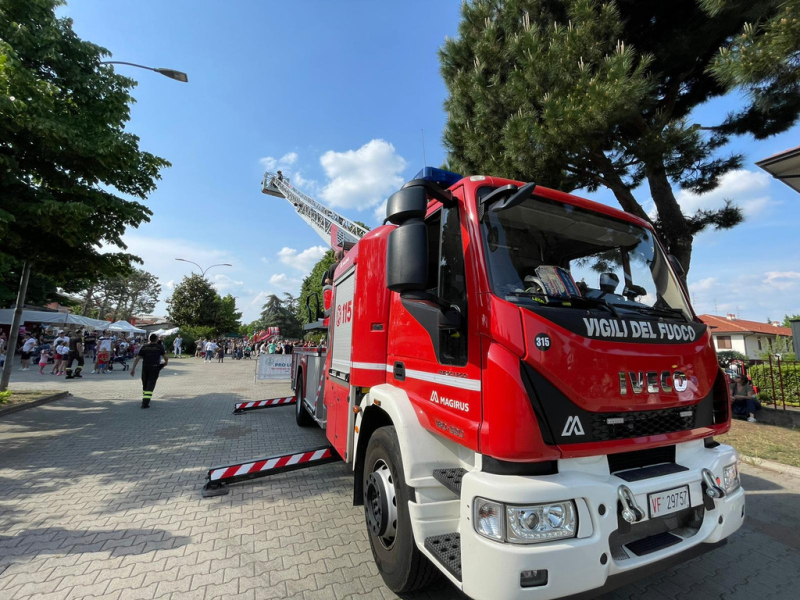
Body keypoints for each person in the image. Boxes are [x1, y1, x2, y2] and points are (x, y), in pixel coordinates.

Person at [130, 333, 167, 409]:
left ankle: (145, 398)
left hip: (145, 368)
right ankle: (145, 402)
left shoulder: (144, 347)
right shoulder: (159, 347)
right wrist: (165, 363)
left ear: (149, 339)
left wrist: (133, 369)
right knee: (151, 385)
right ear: (156, 339)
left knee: (145, 384)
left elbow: (137, 358)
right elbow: (165, 357)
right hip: (154, 368)